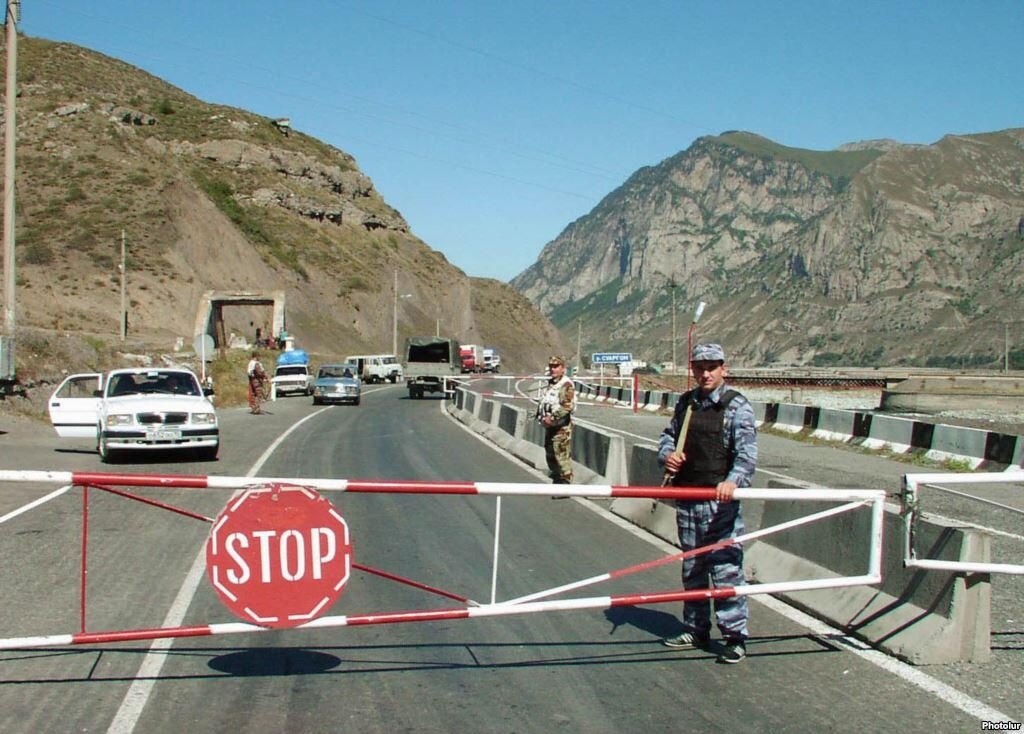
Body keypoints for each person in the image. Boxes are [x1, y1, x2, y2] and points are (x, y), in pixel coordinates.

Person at [657, 343, 757, 664]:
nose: (705, 373)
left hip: (719, 504)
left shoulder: (736, 407)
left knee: (726, 568)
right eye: (699, 367)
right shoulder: (686, 404)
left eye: (712, 366)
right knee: (693, 567)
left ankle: (734, 636)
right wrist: (667, 456)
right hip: (687, 499)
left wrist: (734, 481)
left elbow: (746, 456)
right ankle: (696, 627)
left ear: (723, 368)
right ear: (692, 369)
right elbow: (667, 436)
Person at [536, 355, 576, 486]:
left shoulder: (566, 385)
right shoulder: (552, 384)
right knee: (551, 455)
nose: (553, 369)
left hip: (561, 428)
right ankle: (557, 480)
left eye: (556, 366)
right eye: (551, 367)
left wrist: (552, 418)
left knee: (561, 456)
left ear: (563, 368)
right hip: (551, 427)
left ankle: (565, 484)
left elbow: (567, 406)